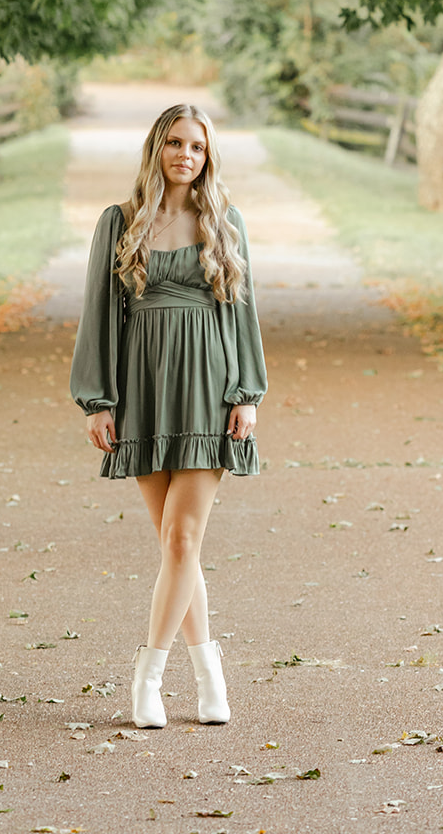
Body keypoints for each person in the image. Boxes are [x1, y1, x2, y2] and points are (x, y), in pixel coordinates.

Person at [69, 102, 268, 729]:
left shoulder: (223, 221)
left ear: (208, 157)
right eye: (176, 143)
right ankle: (210, 676)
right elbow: (99, 314)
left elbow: (241, 310)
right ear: (157, 147)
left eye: (198, 147)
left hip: (210, 390)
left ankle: (146, 678)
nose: (186, 155)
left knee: (183, 539)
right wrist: (99, 399)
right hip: (144, 391)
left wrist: (247, 393)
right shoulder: (121, 222)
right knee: (174, 548)